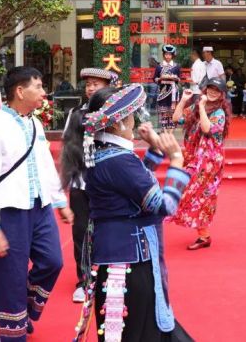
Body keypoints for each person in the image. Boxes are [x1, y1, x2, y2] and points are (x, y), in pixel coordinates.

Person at [71, 84, 194, 342]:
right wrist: (176, 160)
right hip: (130, 263)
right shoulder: (119, 160)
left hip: (117, 256)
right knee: (141, 331)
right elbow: (163, 205)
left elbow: (133, 185)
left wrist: (155, 149)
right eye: (129, 116)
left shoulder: (104, 154)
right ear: (116, 124)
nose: (133, 121)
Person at [0, 66, 73, 341]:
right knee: (10, 276)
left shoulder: (35, 123)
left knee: (52, 261)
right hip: (9, 211)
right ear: (20, 91)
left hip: (40, 208)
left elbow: (45, 165)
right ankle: (11, 334)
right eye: (38, 86)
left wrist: (60, 201)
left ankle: (23, 312)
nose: (44, 92)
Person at [61, 68, 118, 303]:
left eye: (96, 84)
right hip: (81, 182)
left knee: (110, 229)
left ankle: (110, 276)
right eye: (88, 84)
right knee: (81, 232)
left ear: (108, 87)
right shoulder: (76, 113)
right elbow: (67, 145)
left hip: (109, 183)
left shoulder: (117, 113)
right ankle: (84, 281)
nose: (91, 88)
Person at [170, 78, 231, 250]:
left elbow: (206, 128)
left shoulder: (219, 113)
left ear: (221, 94)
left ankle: (204, 235)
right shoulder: (196, 107)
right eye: (210, 88)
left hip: (209, 162)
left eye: (216, 90)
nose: (212, 92)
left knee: (199, 195)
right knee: (193, 193)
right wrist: (183, 100)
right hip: (194, 158)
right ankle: (204, 235)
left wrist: (202, 107)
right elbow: (176, 118)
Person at [153, 44, 181, 131]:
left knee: (172, 111)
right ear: (163, 55)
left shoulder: (176, 66)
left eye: (169, 54)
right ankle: (164, 130)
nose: (168, 56)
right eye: (166, 54)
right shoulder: (159, 66)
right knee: (163, 111)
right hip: (162, 91)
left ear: (172, 55)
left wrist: (175, 78)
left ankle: (171, 132)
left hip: (173, 92)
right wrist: (160, 78)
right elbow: (154, 78)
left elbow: (179, 78)